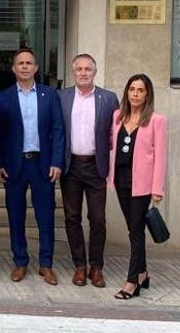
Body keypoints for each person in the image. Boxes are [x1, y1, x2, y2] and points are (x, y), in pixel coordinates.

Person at [0, 48, 65, 286]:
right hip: (14, 166)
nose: (24, 66)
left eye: (29, 63)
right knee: (16, 216)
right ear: (13, 68)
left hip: (43, 165)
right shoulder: (3, 97)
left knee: (46, 216)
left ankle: (46, 264)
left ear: (35, 68)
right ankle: (20, 261)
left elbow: (58, 129)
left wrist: (57, 161)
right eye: (20, 63)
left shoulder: (49, 94)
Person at [58, 54, 119, 288]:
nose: (83, 73)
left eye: (88, 69)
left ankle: (96, 267)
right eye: (79, 69)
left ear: (95, 72)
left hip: (96, 166)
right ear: (73, 72)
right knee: (72, 217)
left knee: (97, 219)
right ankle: (79, 267)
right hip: (70, 165)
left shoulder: (108, 98)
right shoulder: (61, 97)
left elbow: (115, 132)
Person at [110, 73, 167, 300]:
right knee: (133, 230)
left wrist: (157, 189)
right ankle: (143, 273)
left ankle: (132, 281)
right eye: (132, 89)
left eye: (140, 90)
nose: (135, 94)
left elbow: (160, 157)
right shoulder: (117, 116)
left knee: (136, 233)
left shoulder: (156, 120)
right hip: (121, 181)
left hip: (142, 185)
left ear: (147, 94)